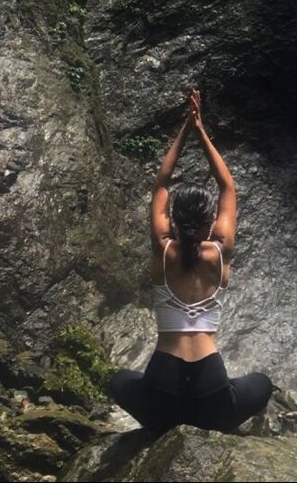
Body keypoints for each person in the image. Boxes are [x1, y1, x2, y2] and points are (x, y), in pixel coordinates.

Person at [109, 89, 273, 434]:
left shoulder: (162, 249)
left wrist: (184, 130)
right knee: (261, 384)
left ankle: (161, 423)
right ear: (207, 224)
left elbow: (161, 184)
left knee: (119, 380)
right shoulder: (220, 250)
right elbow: (228, 187)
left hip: (160, 392)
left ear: (175, 221)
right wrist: (201, 131)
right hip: (210, 393)